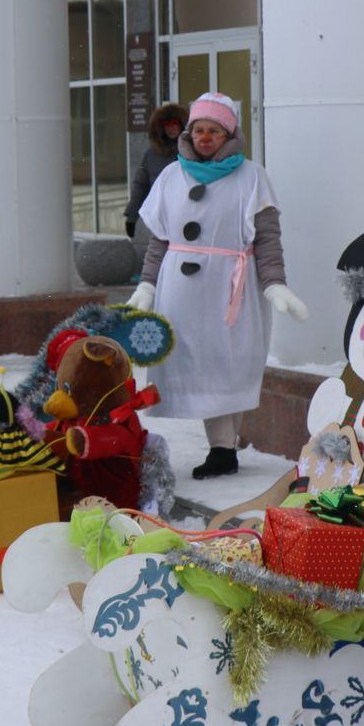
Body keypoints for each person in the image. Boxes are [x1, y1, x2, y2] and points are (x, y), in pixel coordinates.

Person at [130, 91, 308, 480]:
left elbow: (266, 237)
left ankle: (224, 449)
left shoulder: (251, 176)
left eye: (213, 130)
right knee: (194, 364)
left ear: (229, 133)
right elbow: (159, 238)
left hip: (231, 290)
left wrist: (275, 284)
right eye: (198, 130)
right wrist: (147, 285)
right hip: (180, 292)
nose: (204, 137)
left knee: (227, 366)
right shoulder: (171, 176)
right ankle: (220, 448)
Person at [124, 102, 185, 241]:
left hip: (187, 217)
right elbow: (140, 185)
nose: (171, 129)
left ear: (181, 125)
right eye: (167, 125)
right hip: (160, 219)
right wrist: (132, 216)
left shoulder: (192, 153)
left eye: (174, 124)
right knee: (158, 256)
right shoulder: (152, 155)